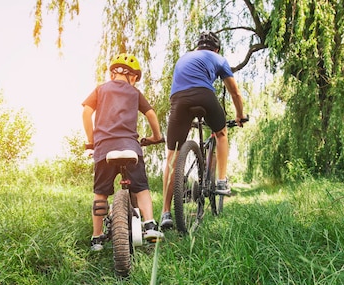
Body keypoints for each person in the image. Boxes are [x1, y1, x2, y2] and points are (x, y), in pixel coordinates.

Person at [160, 32, 245, 229]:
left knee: (172, 156)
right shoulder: (219, 58)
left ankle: (165, 212)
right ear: (216, 49)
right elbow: (235, 92)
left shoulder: (184, 57)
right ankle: (222, 181)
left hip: (179, 100)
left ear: (198, 47)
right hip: (204, 95)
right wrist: (240, 116)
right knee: (222, 133)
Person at [82, 53, 164, 251]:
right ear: (133, 77)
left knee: (101, 193)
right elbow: (151, 114)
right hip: (130, 147)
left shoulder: (101, 89)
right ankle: (150, 225)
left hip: (104, 149)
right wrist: (156, 137)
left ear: (112, 74)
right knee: (141, 188)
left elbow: (86, 112)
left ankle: (97, 238)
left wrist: (92, 141)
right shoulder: (134, 93)